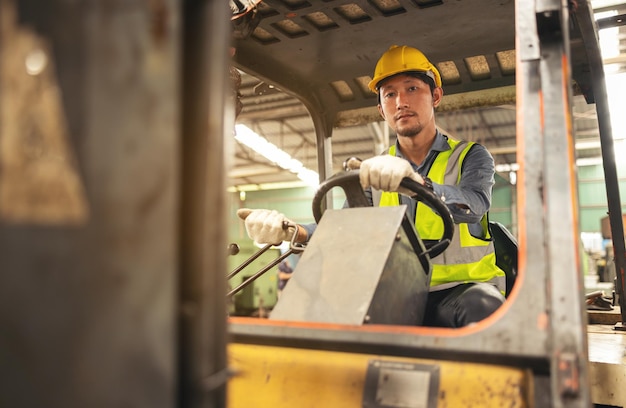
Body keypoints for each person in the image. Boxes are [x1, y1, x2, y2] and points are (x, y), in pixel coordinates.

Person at [237, 45, 506, 328]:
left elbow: (474, 205)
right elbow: (343, 228)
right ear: (381, 110)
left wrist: (418, 184)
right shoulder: (372, 172)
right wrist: (292, 230)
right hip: (396, 294)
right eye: (390, 94)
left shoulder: (469, 156)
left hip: (460, 292)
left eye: (412, 88)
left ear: (435, 95)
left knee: (482, 306)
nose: (401, 101)